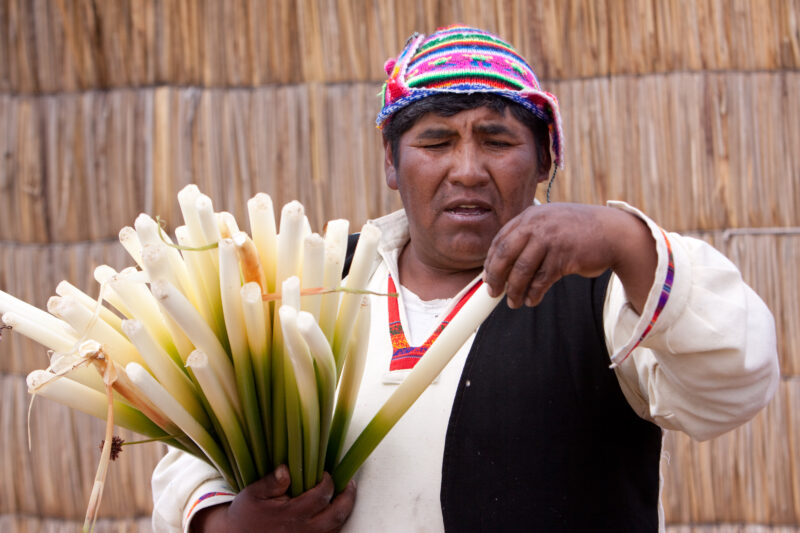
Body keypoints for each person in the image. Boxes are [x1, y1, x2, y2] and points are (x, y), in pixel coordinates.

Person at [151, 25, 779, 532]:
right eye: (436, 141)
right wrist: (222, 523)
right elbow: (199, 443)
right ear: (392, 164)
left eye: (497, 139)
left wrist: (623, 239)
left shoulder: (607, 292)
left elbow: (737, 379)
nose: (468, 169)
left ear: (543, 160)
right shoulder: (309, 283)